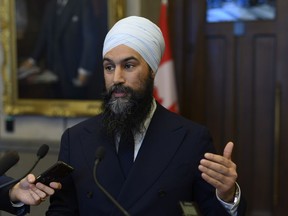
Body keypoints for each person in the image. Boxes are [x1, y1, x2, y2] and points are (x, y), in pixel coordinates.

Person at [46, 16, 246, 215]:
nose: (117, 78)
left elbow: (211, 211)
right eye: (109, 67)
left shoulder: (191, 139)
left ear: (152, 70)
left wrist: (228, 195)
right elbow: (61, 210)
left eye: (129, 66)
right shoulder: (76, 139)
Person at [18, 0, 107, 99]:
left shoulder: (82, 3)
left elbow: (90, 39)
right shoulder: (51, 5)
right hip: (52, 71)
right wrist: (32, 59)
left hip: (74, 72)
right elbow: (43, 35)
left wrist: (85, 70)